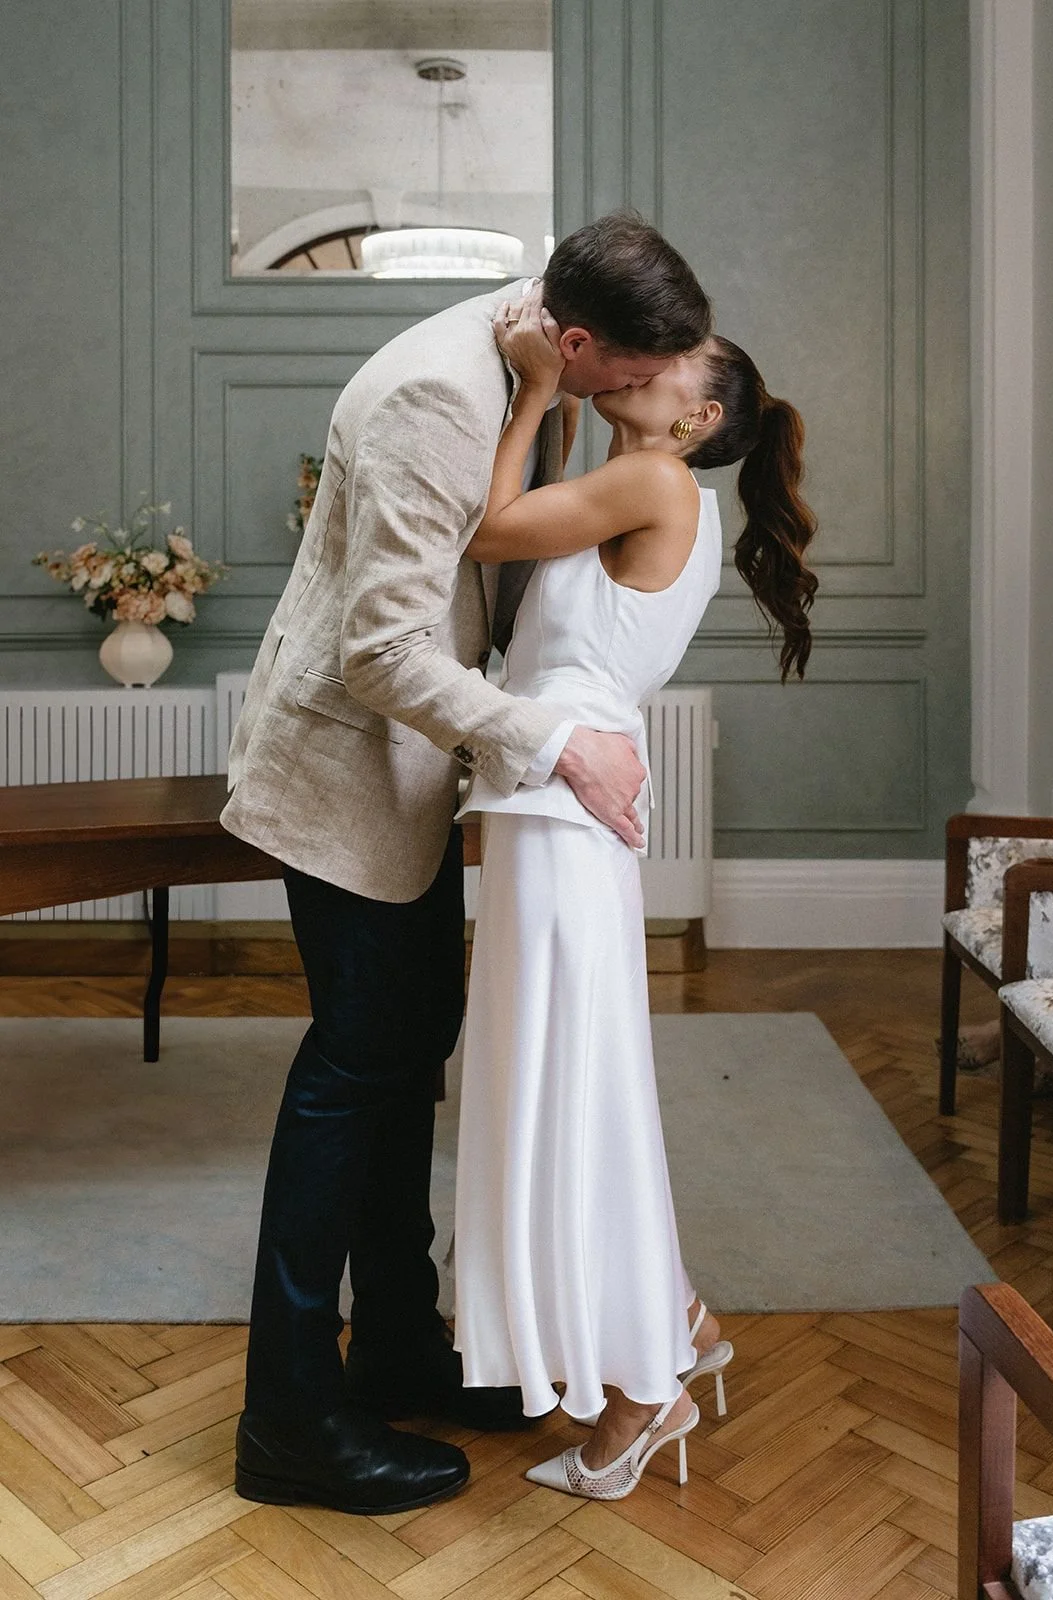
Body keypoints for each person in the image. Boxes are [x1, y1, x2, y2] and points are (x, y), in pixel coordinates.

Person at [219, 213, 713, 1516]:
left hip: (417, 774)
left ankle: (395, 1348)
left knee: (403, 1048)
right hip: (346, 776)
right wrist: (556, 742)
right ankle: (287, 1417)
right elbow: (383, 655)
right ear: (575, 337)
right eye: (624, 374)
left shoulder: (534, 361)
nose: (641, 400)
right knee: (353, 1070)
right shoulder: (436, 395)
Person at [452, 287, 818, 1499]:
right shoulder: (648, 489)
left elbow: (488, 528)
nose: (642, 364)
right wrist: (547, 406)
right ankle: (676, 1319)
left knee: (566, 1091)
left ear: (695, 413)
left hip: (562, 814)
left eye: (668, 363)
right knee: (565, 1081)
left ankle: (643, 1393)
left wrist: (539, 385)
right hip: (551, 803)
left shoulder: (661, 484)